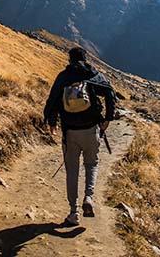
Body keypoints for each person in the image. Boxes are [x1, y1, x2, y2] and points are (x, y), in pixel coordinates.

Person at [43, 46, 117, 226]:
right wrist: (108, 118)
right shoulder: (92, 74)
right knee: (91, 164)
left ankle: (73, 212)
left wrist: (52, 122)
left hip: (70, 132)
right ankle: (89, 198)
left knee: (72, 170)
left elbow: (52, 101)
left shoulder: (63, 77)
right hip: (91, 129)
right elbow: (110, 91)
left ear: (69, 60)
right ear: (85, 58)